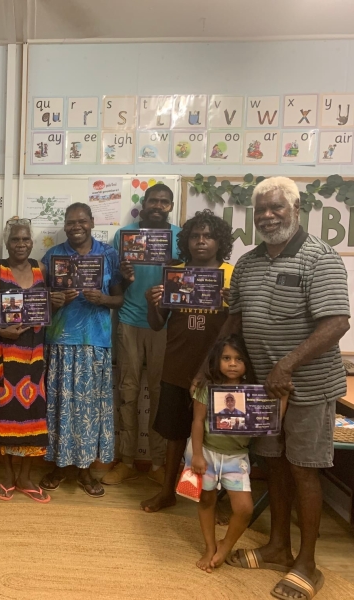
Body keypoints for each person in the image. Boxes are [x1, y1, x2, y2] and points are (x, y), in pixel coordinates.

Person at [205, 177, 349, 600]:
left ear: (296, 208)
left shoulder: (319, 258)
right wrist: (208, 367)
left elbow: (337, 322)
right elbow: (236, 320)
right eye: (261, 210)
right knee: (276, 467)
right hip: (263, 392)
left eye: (276, 208)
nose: (268, 216)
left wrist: (286, 365)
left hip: (306, 388)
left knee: (304, 469)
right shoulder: (248, 263)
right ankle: (278, 546)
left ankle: (308, 563)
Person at [140, 210, 234, 513]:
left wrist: (234, 304)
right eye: (195, 236)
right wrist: (150, 303)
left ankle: (215, 502)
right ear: (187, 241)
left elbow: (239, 327)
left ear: (219, 241)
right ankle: (167, 491)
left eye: (208, 236)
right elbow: (157, 324)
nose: (201, 241)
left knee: (219, 438)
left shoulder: (231, 275)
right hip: (177, 367)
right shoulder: (175, 274)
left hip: (217, 372)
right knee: (175, 435)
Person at [38, 203, 123, 498]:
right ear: (64, 225)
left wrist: (102, 299)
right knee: (59, 407)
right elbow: (39, 299)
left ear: (92, 222)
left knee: (89, 410)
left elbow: (120, 300)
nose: (77, 226)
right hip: (59, 342)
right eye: (71, 221)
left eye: (82, 221)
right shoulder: (52, 256)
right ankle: (59, 466)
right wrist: (54, 300)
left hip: (94, 342)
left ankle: (86, 470)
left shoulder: (109, 254)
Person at [104, 183, 181, 486]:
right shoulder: (123, 236)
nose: (158, 206)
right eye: (153, 201)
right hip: (130, 321)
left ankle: (158, 462)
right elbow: (114, 287)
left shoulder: (180, 238)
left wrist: (176, 269)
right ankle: (125, 460)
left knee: (161, 395)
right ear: (143, 203)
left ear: (170, 206)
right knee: (128, 393)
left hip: (165, 324)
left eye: (164, 202)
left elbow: (187, 284)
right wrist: (123, 276)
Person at [0, 218, 49, 504]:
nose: (21, 244)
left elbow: (46, 309)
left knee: (32, 415)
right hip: (1, 353)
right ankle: (8, 477)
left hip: (33, 355)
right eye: (15, 240)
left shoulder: (42, 269)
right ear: (7, 243)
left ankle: (26, 477)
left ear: (32, 242)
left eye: (25, 239)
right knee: (3, 415)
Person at [188, 335, 271, 573]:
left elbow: (270, 422)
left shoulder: (254, 393)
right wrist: (196, 455)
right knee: (206, 500)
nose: (232, 364)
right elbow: (197, 421)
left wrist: (282, 398)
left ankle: (225, 545)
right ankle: (209, 546)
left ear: (247, 364)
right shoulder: (206, 387)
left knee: (244, 508)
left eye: (239, 359)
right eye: (226, 358)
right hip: (207, 453)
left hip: (237, 457)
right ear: (217, 360)